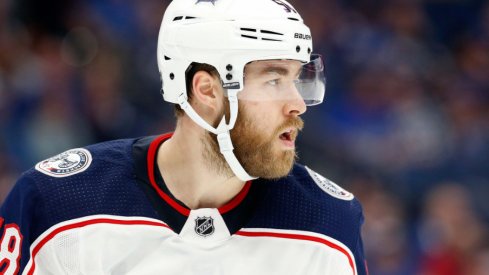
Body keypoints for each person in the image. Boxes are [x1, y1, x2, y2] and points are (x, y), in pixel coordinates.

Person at [0, 0, 367, 274]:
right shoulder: (58, 204)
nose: (296, 104)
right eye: (273, 80)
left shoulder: (329, 223)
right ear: (206, 89)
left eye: (297, 79)